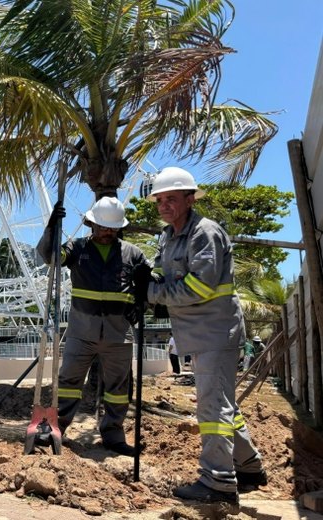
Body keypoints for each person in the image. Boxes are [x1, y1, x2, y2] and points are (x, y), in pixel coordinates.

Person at [133, 166, 266, 504]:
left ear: (190, 199)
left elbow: (199, 286)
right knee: (223, 405)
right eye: (160, 200)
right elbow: (167, 275)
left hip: (216, 331)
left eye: (171, 199)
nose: (164, 205)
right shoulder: (168, 236)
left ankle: (218, 481)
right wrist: (148, 277)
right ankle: (248, 466)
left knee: (212, 409)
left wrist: (151, 292)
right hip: (197, 332)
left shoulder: (204, 233)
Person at [37, 196, 149, 457]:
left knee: (118, 390)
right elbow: (50, 257)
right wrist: (51, 228)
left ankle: (113, 435)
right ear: (91, 224)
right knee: (68, 382)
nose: (107, 232)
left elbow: (150, 285)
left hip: (118, 333)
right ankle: (55, 429)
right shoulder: (77, 248)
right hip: (81, 332)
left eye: (112, 228)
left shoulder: (133, 253)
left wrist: (141, 301)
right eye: (102, 227)